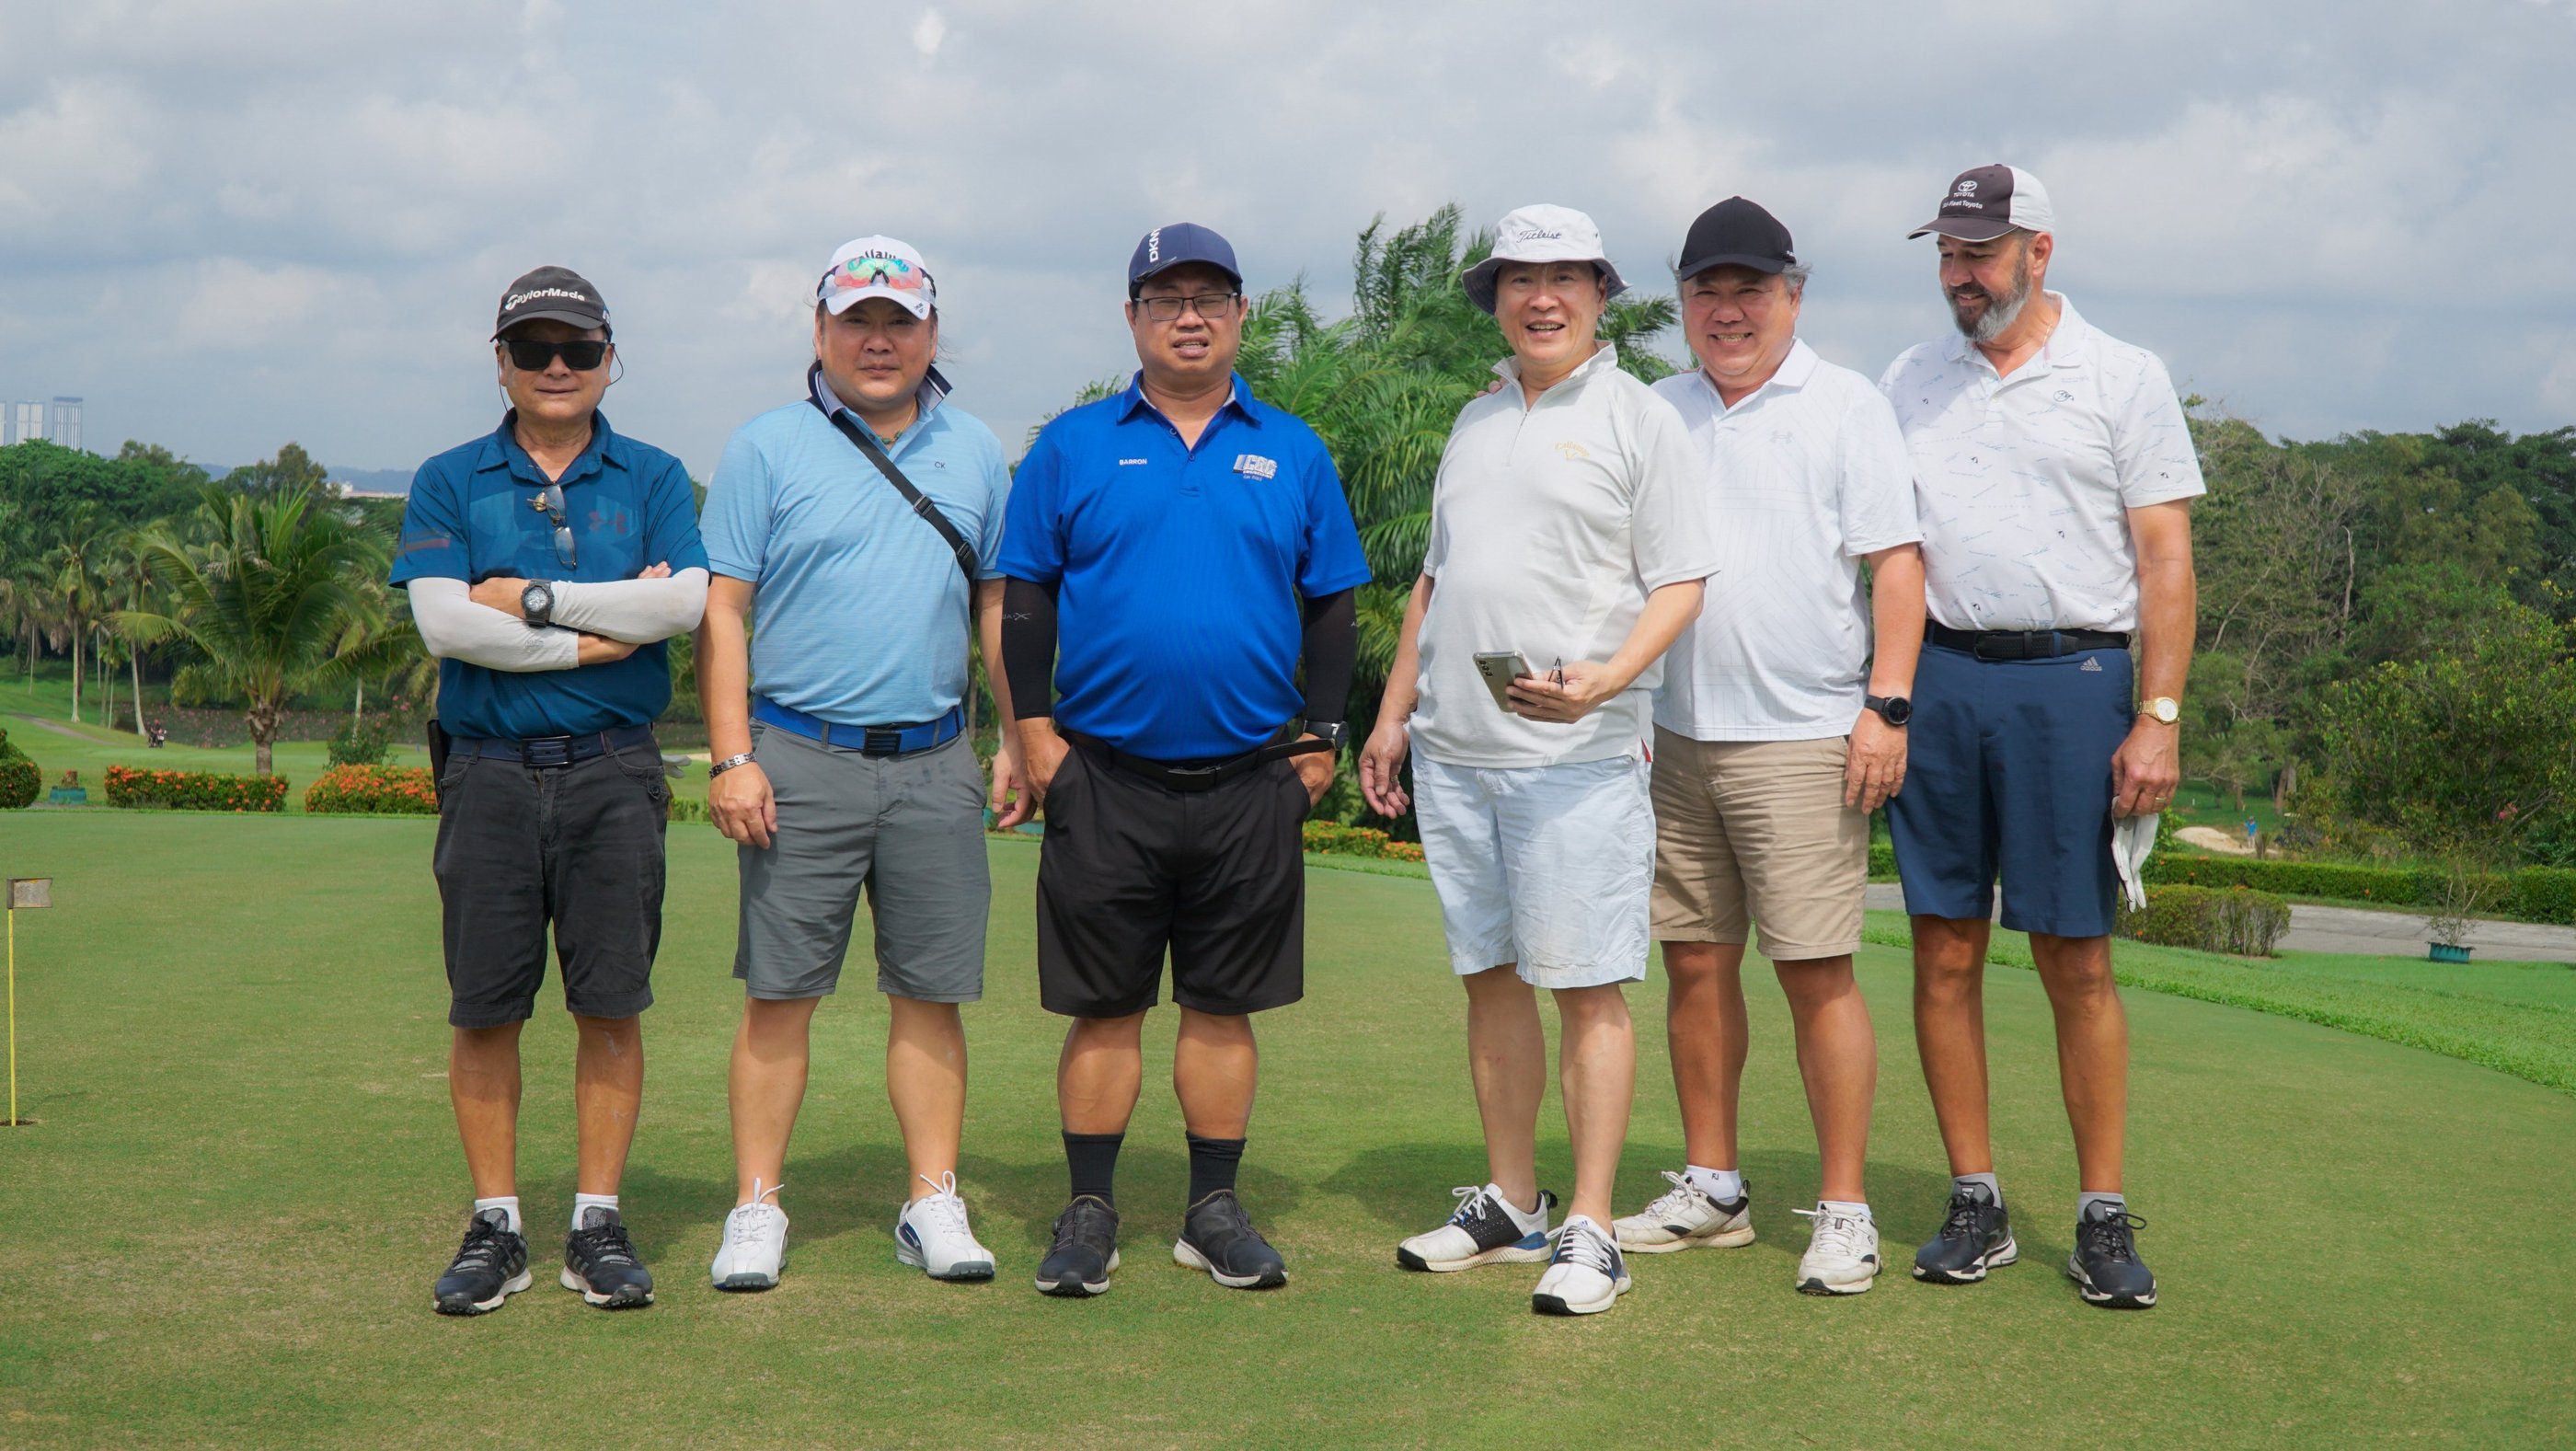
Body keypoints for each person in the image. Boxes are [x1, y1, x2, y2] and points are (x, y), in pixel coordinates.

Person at [1000, 222, 1369, 1297]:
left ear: (1240, 313)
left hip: (1251, 777)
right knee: (1103, 1004)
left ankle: (1212, 1210)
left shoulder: (1292, 448)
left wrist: (1321, 738)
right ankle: (1089, 1208)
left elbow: (1331, 605)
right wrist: (1033, 733)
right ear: (1133, 317)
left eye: (1209, 298)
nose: (1189, 316)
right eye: (1166, 299)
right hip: (1104, 775)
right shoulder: (1072, 444)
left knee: (1222, 1003)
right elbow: (1027, 596)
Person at [1361, 205, 1717, 1317]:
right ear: (1496, 299)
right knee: (1491, 978)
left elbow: (1682, 580)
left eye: (1566, 276)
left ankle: (1592, 1225)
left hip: (1576, 756)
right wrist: (1391, 716)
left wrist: (1609, 680)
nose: (1542, 297)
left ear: (1601, 294)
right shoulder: (1475, 419)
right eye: (1521, 278)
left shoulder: (1638, 416)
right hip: (1455, 752)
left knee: (1585, 986)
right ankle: (1512, 1200)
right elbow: (1435, 582)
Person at [1880, 165, 2202, 1310]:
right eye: (1947, 253)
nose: (1959, 274)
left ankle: (2100, 1212)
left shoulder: (2120, 373)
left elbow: (2164, 556)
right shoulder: (1909, 378)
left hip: (2076, 679)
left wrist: (2157, 713)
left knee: (2075, 954)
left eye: (1979, 252)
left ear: (2038, 251)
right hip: (1941, 677)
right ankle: (1975, 1198)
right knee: (1942, 946)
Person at [1608, 198, 1925, 1296]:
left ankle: (1844, 1208)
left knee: (1815, 971)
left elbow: (1895, 563)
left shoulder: (1846, 405)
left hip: (1802, 734)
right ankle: (1713, 1186)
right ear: (1681, 301)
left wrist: (1886, 706)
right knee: (1694, 962)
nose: (1727, 310)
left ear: (1792, 293)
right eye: (1706, 290)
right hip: (1674, 734)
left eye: (1749, 289)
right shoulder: (1656, 408)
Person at [696, 236, 1024, 1291]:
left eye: (898, 322)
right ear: (821, 329)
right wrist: (732, 755)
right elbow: (724, 610)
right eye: (856, 321)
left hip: (935, 759)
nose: (878, 341)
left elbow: (994, 604)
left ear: (931, 332)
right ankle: (757, 1204)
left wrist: (1018, 735)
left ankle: (931, 1199)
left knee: (931, 994)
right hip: (799, 757)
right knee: (780, 994)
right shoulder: (765, 446)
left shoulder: (976, 449)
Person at [396, 266, 710, 1315]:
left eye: (578, 347)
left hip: (614, 770)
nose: (558, 366)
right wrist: (594, 635)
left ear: (611, 358)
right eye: (535, 348)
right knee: (485, 1007)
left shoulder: (653, 475)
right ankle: (497, 1225)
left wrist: (526, 601)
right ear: (502, 364)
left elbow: (681, 608)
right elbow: (446, 625)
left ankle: (595, 1223)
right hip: (485, 770)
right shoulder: (450, 477)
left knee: (609, 1002)